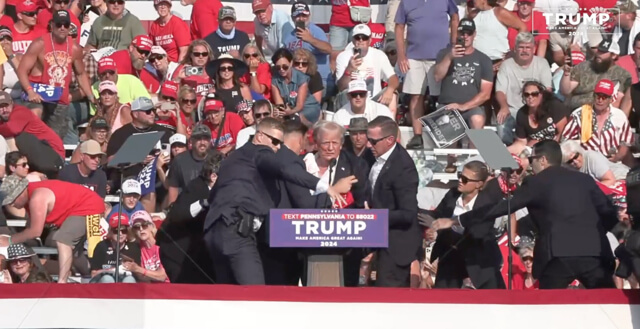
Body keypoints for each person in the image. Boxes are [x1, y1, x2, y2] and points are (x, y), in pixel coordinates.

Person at [432, 140, 619, 289]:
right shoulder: (584, 179)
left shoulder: (536, 182)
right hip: (594, 254)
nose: (530, 164)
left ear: (543, 160)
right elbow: (608, 213)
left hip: (557, 258)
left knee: (548, 310)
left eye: (532, 159)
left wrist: (457, 220)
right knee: (608, 306)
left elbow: (503, 208)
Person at [203, 117, 356, 285]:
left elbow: (213, 195)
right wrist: (325, 187)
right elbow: (285, 168)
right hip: (236, 231)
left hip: (213, 232)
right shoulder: (261, 152)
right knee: (256, 295)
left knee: (227, 295)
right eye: (275, 142)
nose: (277, 148)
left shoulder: (234, 157)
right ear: (260, 136)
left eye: (280, 143)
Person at [0, 175, 105, 283]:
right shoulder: (32, 194)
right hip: (81, 205)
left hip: (88, 206)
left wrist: (9, 240)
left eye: (12, 200)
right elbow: (30, 230)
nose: (11, 204)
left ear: (21, 192)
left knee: (63, 240)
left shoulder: (37, 198)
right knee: (73, 251)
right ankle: (89, 276)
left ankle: (61, 283)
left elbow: (35, 231)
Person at [427, 161, 505, 289]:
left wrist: (446, 229)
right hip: (450, 258)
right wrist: (433, 228)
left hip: (479, 262)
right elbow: (438, 215)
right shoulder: (452, 195)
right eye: (459, 176)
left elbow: (478, 232)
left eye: (465, 179)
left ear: (478, 184)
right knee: (444, 300)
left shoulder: (487, 203)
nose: (460, 181)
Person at [17, 10, 95, 139]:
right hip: (38, 93)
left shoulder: (75, 49)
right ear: (52, 25)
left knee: (54, 138)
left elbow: (81, 74)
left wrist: (91, 97)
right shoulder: (39, 44)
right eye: (59, 24)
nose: (62, 28)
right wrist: (30, 91)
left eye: (66, 24)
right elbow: (22, 70)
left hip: (59, 98)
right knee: (35, 116)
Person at [394, 0, 458, 152]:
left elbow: (455, 17)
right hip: (414, 56)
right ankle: (418, 136)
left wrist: (454, 44)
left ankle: (446, 134)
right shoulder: (406, 2)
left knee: (442, 97)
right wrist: (401, 55)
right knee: (416, 95)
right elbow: (399, 27)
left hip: (440, 56)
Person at [365, 116, 420, 287]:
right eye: (368, 140)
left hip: (396, 245)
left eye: (373, 141)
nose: (368, 145)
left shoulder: (403, 167)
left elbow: (408, 213)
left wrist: (375, 217)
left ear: (390, 140)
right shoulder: (373, 155)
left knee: (387, 298)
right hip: (376, 239)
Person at [158, 152, 222, 283]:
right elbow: (177, 214)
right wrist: (204, 203)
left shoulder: (219, 192)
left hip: (196, 252)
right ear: (214, 177)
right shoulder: (196, 188)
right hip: (175, 251)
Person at [431, 18, 493, 136]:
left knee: (477, 119)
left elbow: (486, 94)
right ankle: (452, 153)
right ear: (457, 33)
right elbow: (437, 77)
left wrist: (463, 106)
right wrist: (449, 57)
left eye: (469, 33)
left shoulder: (483, 59)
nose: (465, 36)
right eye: (462, 33)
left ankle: (475, 154)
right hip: (447, 105)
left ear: (474, 34)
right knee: (449, 130)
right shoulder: (444, 53)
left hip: (471, 107)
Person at [166, 124, 212, 204]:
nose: (202, 142)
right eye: (198, 139)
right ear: (191, 141)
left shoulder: (218, 158)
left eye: (205, 139)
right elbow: (173, 189)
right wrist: (172, 211)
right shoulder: (179, 160)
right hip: (187, 206)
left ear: (210, 141)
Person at [89, 212, 140, 283]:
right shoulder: (102, 246)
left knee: (129, 280)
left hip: (126, 279)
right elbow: (93, 273)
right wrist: (112, 270)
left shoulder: (133, 247)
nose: (120, 234)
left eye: (124, 230)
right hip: (104, 281)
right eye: (116, 231)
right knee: (107, 279)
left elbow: (138, 274)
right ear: (110, 231)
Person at [123, 210, 169, 283]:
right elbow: (142, 278)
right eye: (137, 227)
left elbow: (162, 276)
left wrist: (138, 269)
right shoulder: (137, 249)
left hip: (168, 288)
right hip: (150, 289)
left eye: (144, 225)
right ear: (134, 231)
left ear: (151, 226)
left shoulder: (162, 244)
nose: (141, 229)